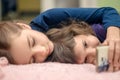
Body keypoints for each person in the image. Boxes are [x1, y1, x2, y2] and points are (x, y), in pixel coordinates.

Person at [0, 7, 120, 71]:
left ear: (23, 26)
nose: (42, 51)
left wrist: (114, 34)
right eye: (32, 59)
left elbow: (107, 12)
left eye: (32, 42)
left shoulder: (49, 17)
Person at [46, 19, 120, 72]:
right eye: (86, 59)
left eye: (85, 45)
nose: (94, 51)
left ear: (81, 32)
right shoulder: (102, 62)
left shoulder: (101, 30)